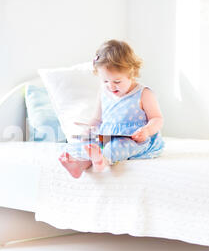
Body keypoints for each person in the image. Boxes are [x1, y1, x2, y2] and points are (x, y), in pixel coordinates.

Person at [59, 39, 165, 178]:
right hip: (107, 136)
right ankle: (79, 165)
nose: (111, 86)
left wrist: (146, 130)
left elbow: (157, 118)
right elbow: (97, 119)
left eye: (117, 81)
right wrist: (89, 129)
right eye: (105, 81)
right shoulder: (103, 92)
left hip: (133, 139)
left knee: (117, 146)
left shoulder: (144, 94)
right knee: (87, 144)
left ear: (131, 73)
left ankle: (102, 161)